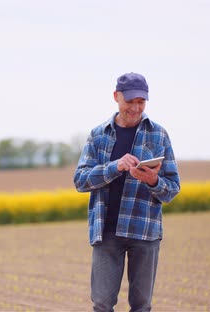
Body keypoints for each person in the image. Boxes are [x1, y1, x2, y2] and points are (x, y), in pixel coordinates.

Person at [74, 72, 180, 312]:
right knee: (102, 305)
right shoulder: (98, 136)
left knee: (142, 306)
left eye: (141, 101)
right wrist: (116, 166)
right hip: (106, 233)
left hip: (145, 232)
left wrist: (153, 180)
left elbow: (172, 188)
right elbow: (80, 180)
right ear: (116, 97)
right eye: (130, 101)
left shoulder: (159, 135)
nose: (135, 107)